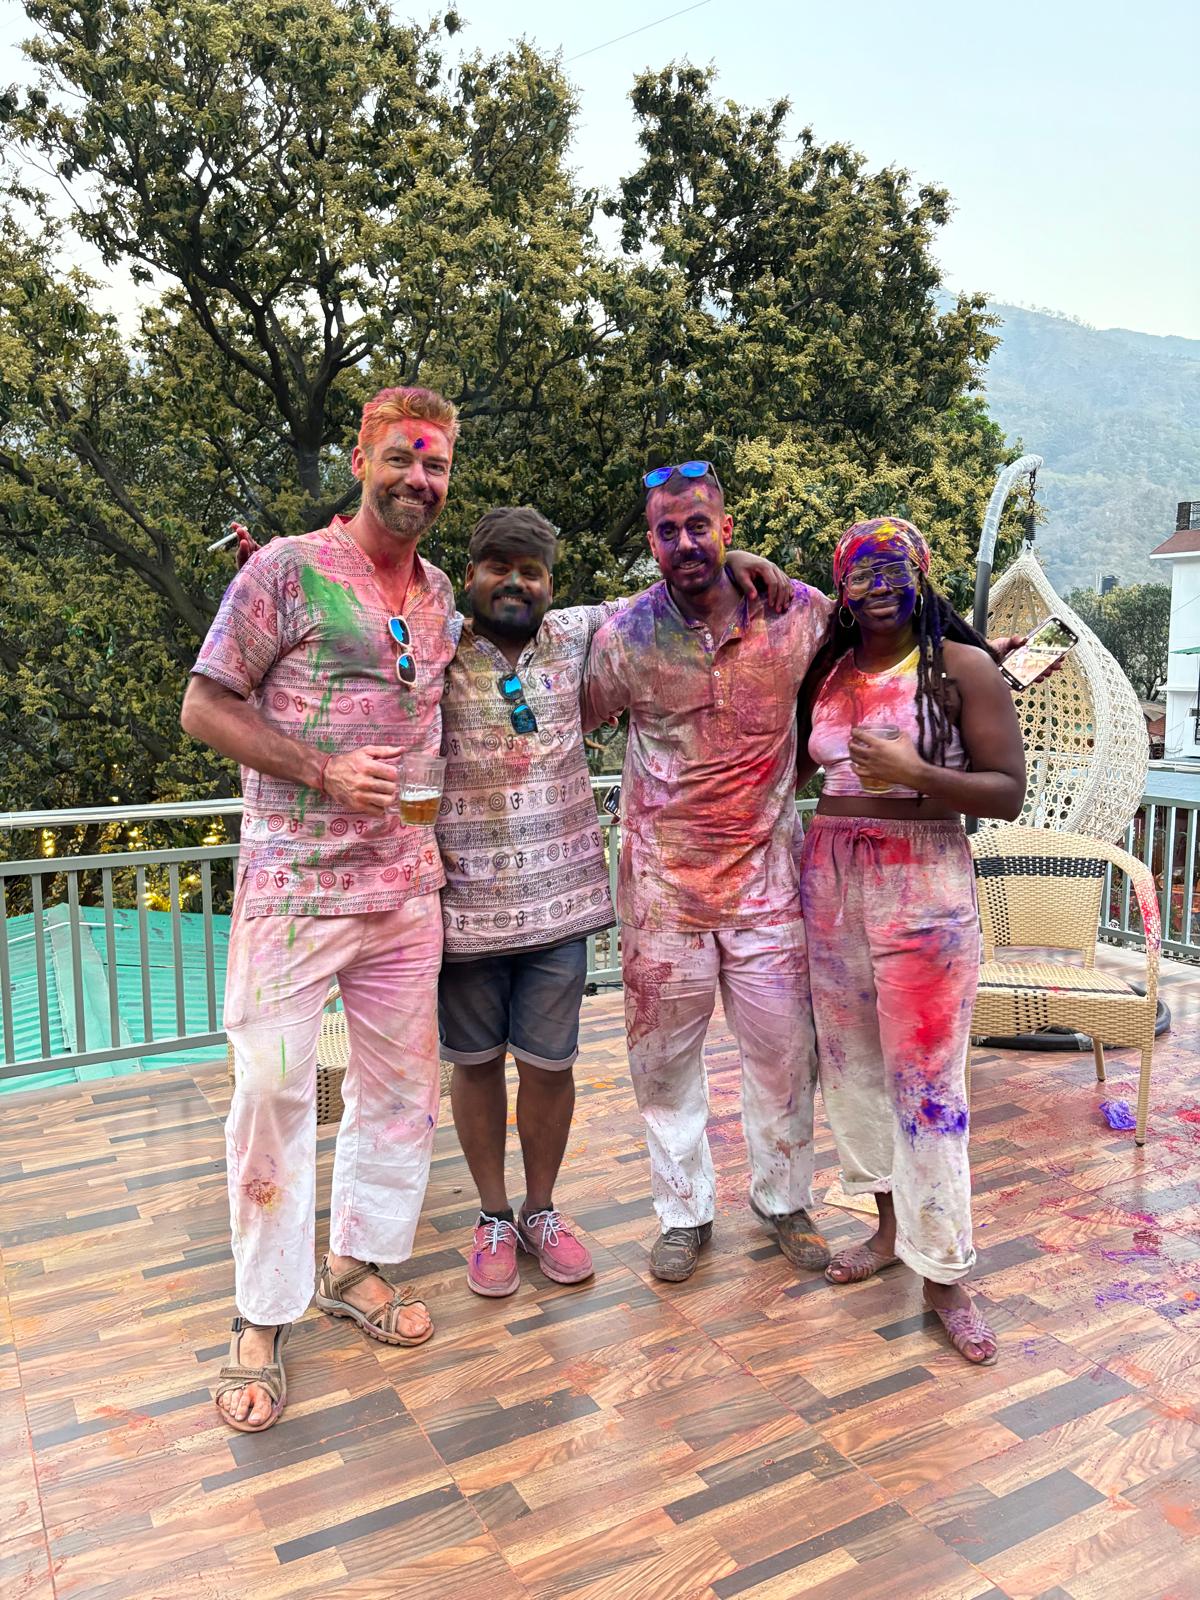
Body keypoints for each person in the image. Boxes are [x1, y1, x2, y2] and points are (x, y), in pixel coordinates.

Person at [182, 385, 460, 1432]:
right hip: (294, 891)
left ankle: (357, 1262)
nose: (417, 479)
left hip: (403, 893)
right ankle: (261, 1311)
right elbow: (203, 704)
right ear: (360, 457)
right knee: (271, 1090)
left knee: (400, 1093)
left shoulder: (436, 596)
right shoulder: (284, 571)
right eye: (401, 458)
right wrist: (322, 769)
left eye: (435, 465)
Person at [440, 505, 790, 1296]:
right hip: (464, 907)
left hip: (563, 906)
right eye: (499, 567)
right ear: (472, 575)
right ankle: (492, 1216)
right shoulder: (434, 642)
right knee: (474, 1069)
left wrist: (738, 560)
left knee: (550, 1067)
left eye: (530, 571)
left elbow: (676, 587)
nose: (514, 583)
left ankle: (540, 1210)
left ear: (549, 584)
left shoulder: (578, 634)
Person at [582, 461, 834, 1283]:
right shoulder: (626, 634)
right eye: (666, 530)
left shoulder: (795, 615)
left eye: (699, 527)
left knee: (783, 1055)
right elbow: (563, 702)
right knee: (663, 1065)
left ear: (726, 528)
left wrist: (975, 666)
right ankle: (682, 1211)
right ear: (650, 541)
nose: (684, 543)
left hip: (769, 890)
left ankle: (784, 1198)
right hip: (662, 895)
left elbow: (879, 649)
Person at [797, 516, 1025, 1365]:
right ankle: (890, 1229)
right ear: (842, 587)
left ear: (921, 576)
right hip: (828, 884)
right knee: (852, 1067)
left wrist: (919, 775)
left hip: (922, 880)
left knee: (929, 1084)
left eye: (894, 568)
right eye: (859, 573)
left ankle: (946, 1273)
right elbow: (792, 767)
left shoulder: (962, 668)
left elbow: (1005, 791)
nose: (877, 585)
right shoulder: (827, 670)